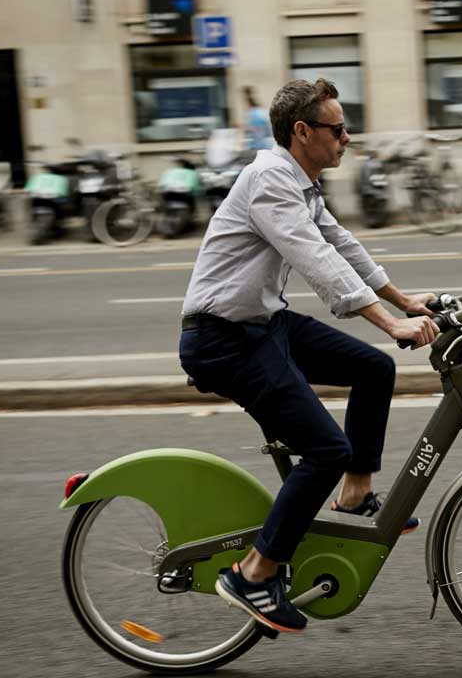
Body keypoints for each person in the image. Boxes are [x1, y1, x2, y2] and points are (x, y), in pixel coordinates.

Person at [179, 78, 439, 634]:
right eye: (337, 128)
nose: (348, 137)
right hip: (222, 339)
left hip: (261, 325)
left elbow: (342, 245)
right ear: (303, 132)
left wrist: (404, 298)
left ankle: (355, 494)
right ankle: (253, 573)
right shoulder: (271, 179)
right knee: (325, 448)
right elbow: (312, 257)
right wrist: (391, 323)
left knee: (374, 367)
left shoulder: (301, 182)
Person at [242, 86, 274, 151]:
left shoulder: (253, 114)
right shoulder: (261, 112)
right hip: (265, 145)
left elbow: (254, 132)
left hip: (259, 147)